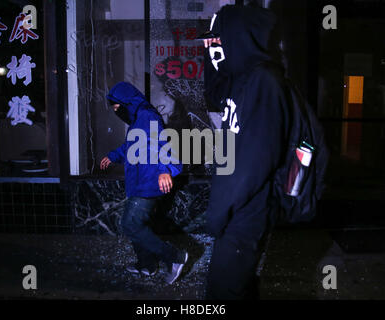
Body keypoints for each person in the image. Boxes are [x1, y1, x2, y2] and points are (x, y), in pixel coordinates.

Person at [199, 4, 290, 299]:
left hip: (245, 210)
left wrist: (218, 213)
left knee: (222, 292)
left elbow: (254, 162)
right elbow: (214, 94)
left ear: (239, 35)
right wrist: (209, 51)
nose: (217, 42)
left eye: (221, 36)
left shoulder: (264, 81)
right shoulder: (242, 78)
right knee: (238, 285)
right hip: (235, 207)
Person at [100, 81, 187, 284]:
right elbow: (131, 146)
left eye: (116, 107)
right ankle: (146, 265)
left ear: (126, 102)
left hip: (148, 182)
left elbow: (161, 144)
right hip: (139, 181)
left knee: (130, 224)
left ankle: (175, 257)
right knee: (139, 224)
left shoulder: (147, 116)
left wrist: (165, 170)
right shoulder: (138, 120)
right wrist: (113, 156)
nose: (116, 111)